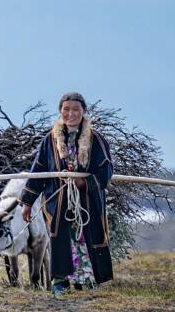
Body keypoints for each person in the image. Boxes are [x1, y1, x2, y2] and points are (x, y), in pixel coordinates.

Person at [19, 92, 115, 295]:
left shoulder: (96, 140)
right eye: (66, 109)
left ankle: (86, 279)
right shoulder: (50, 140)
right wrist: (27, 202)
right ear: (60, 111)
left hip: (87, 201)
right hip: (58, 198)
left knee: (84, 237)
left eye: (75, 109)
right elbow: (39, 171)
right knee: (60, 238)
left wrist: (83, 181)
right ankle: (60, 281)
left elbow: (106, 171)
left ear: (84, 112)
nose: (70, 114)